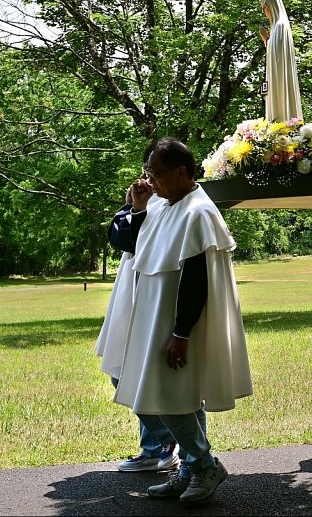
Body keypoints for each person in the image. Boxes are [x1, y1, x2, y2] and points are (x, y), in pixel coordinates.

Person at [109, 137, 252, 504]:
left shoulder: (198, 213)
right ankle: (190, 468)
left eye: (154, 174)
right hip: (155, 316)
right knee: (174, 395)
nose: (149, 181)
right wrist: (139, 207)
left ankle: (204, 466)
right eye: (147, 174)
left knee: (170, 395)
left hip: (176, 322)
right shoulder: (163, 203)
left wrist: (181, 333)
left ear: (182, 172)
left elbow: (196, 279)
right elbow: (140, 246)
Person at [97, 181, 180, 474]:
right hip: (129, 294)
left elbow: (143, 242)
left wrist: (141, 209)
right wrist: (133, 206)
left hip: (153, 297)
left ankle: (168, 440)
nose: (147, 180)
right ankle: (155, 448)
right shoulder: (145, 202)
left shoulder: (175, 204)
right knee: (121, 373)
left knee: (140, 374)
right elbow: (118, 237)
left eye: (153, 173)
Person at [254, 0, 303, 123]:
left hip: (280, 75)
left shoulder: (280, 26)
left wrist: (266, 40)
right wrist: (268, 41)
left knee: (281, 98)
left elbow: (277, 53)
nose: (265, 13)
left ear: (271, 7)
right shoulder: (277, 26)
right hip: (276, 75)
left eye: (265, 9)